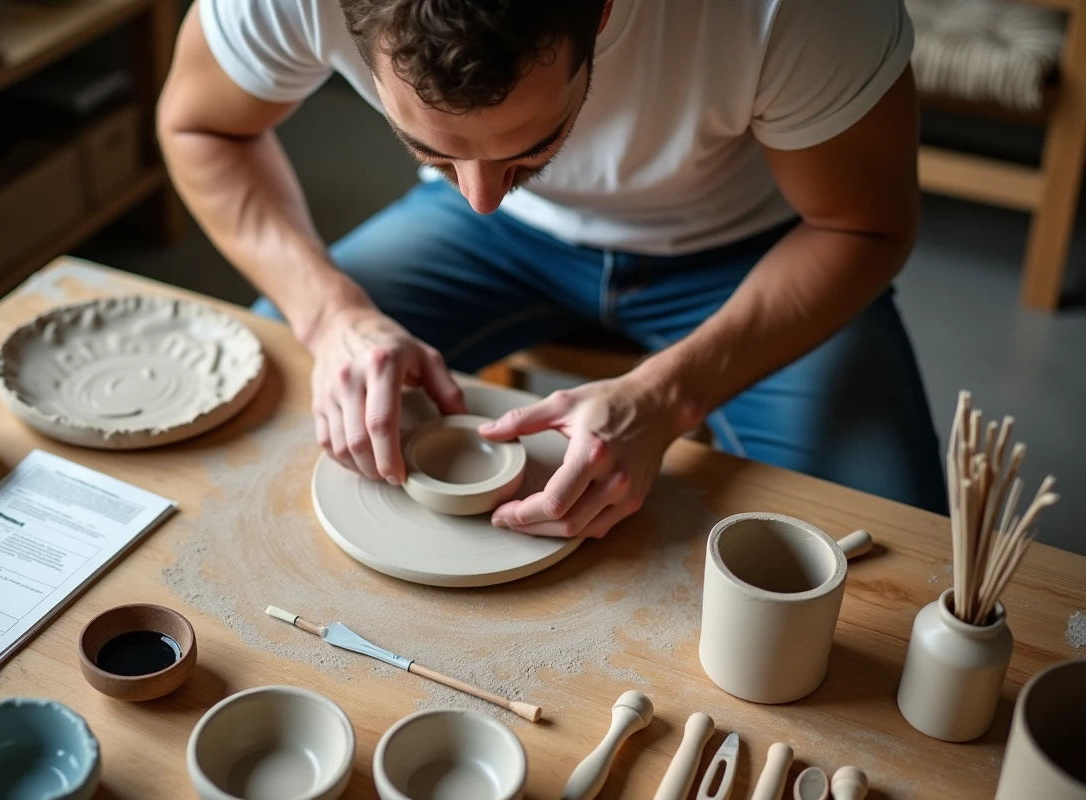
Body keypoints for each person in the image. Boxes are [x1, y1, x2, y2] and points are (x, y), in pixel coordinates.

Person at [157, 0, 947, 540]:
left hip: (758, 250)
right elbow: (199, 126)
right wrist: (332, 316)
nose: (482, 195)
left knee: (885, 542)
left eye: (529, 146)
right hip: (492, 251)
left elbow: (866, 225)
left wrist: (669, 396)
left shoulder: (792, 11)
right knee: (275, 406)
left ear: (601, 12)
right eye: (432, 150)